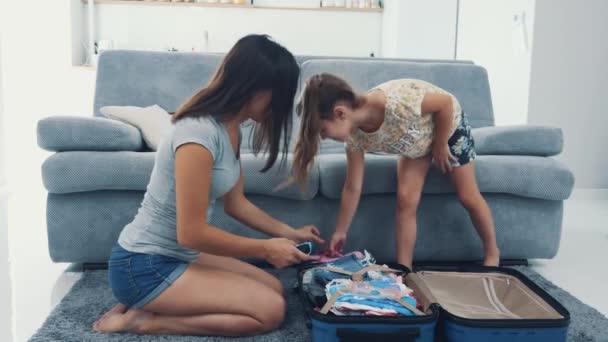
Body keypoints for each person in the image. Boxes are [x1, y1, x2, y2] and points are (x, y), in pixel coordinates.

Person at [93, 34, 323, 337]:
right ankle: (142, 321)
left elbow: (236, 203)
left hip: (177, 255)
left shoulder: (232, 129)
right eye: (279, 94)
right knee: (270, 311)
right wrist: (264, 249)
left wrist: (290, 234)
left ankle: (163, 302)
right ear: (254, 88)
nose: (280, 106)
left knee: (273, 287)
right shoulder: (197, 134)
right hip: (144, 265)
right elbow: (190, 233)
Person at [292, 73, 500, 269]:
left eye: (322, 131)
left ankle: (492, 253)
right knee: (406, 200)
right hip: (415, 145)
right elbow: (352, 187)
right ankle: (404, 269)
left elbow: (444, 103)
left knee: (467, 196)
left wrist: (440, 143)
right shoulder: (354, 138)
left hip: (448, 128)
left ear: (340, 113)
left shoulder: (395, 104)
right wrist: (340, 231)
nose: (324, 138)